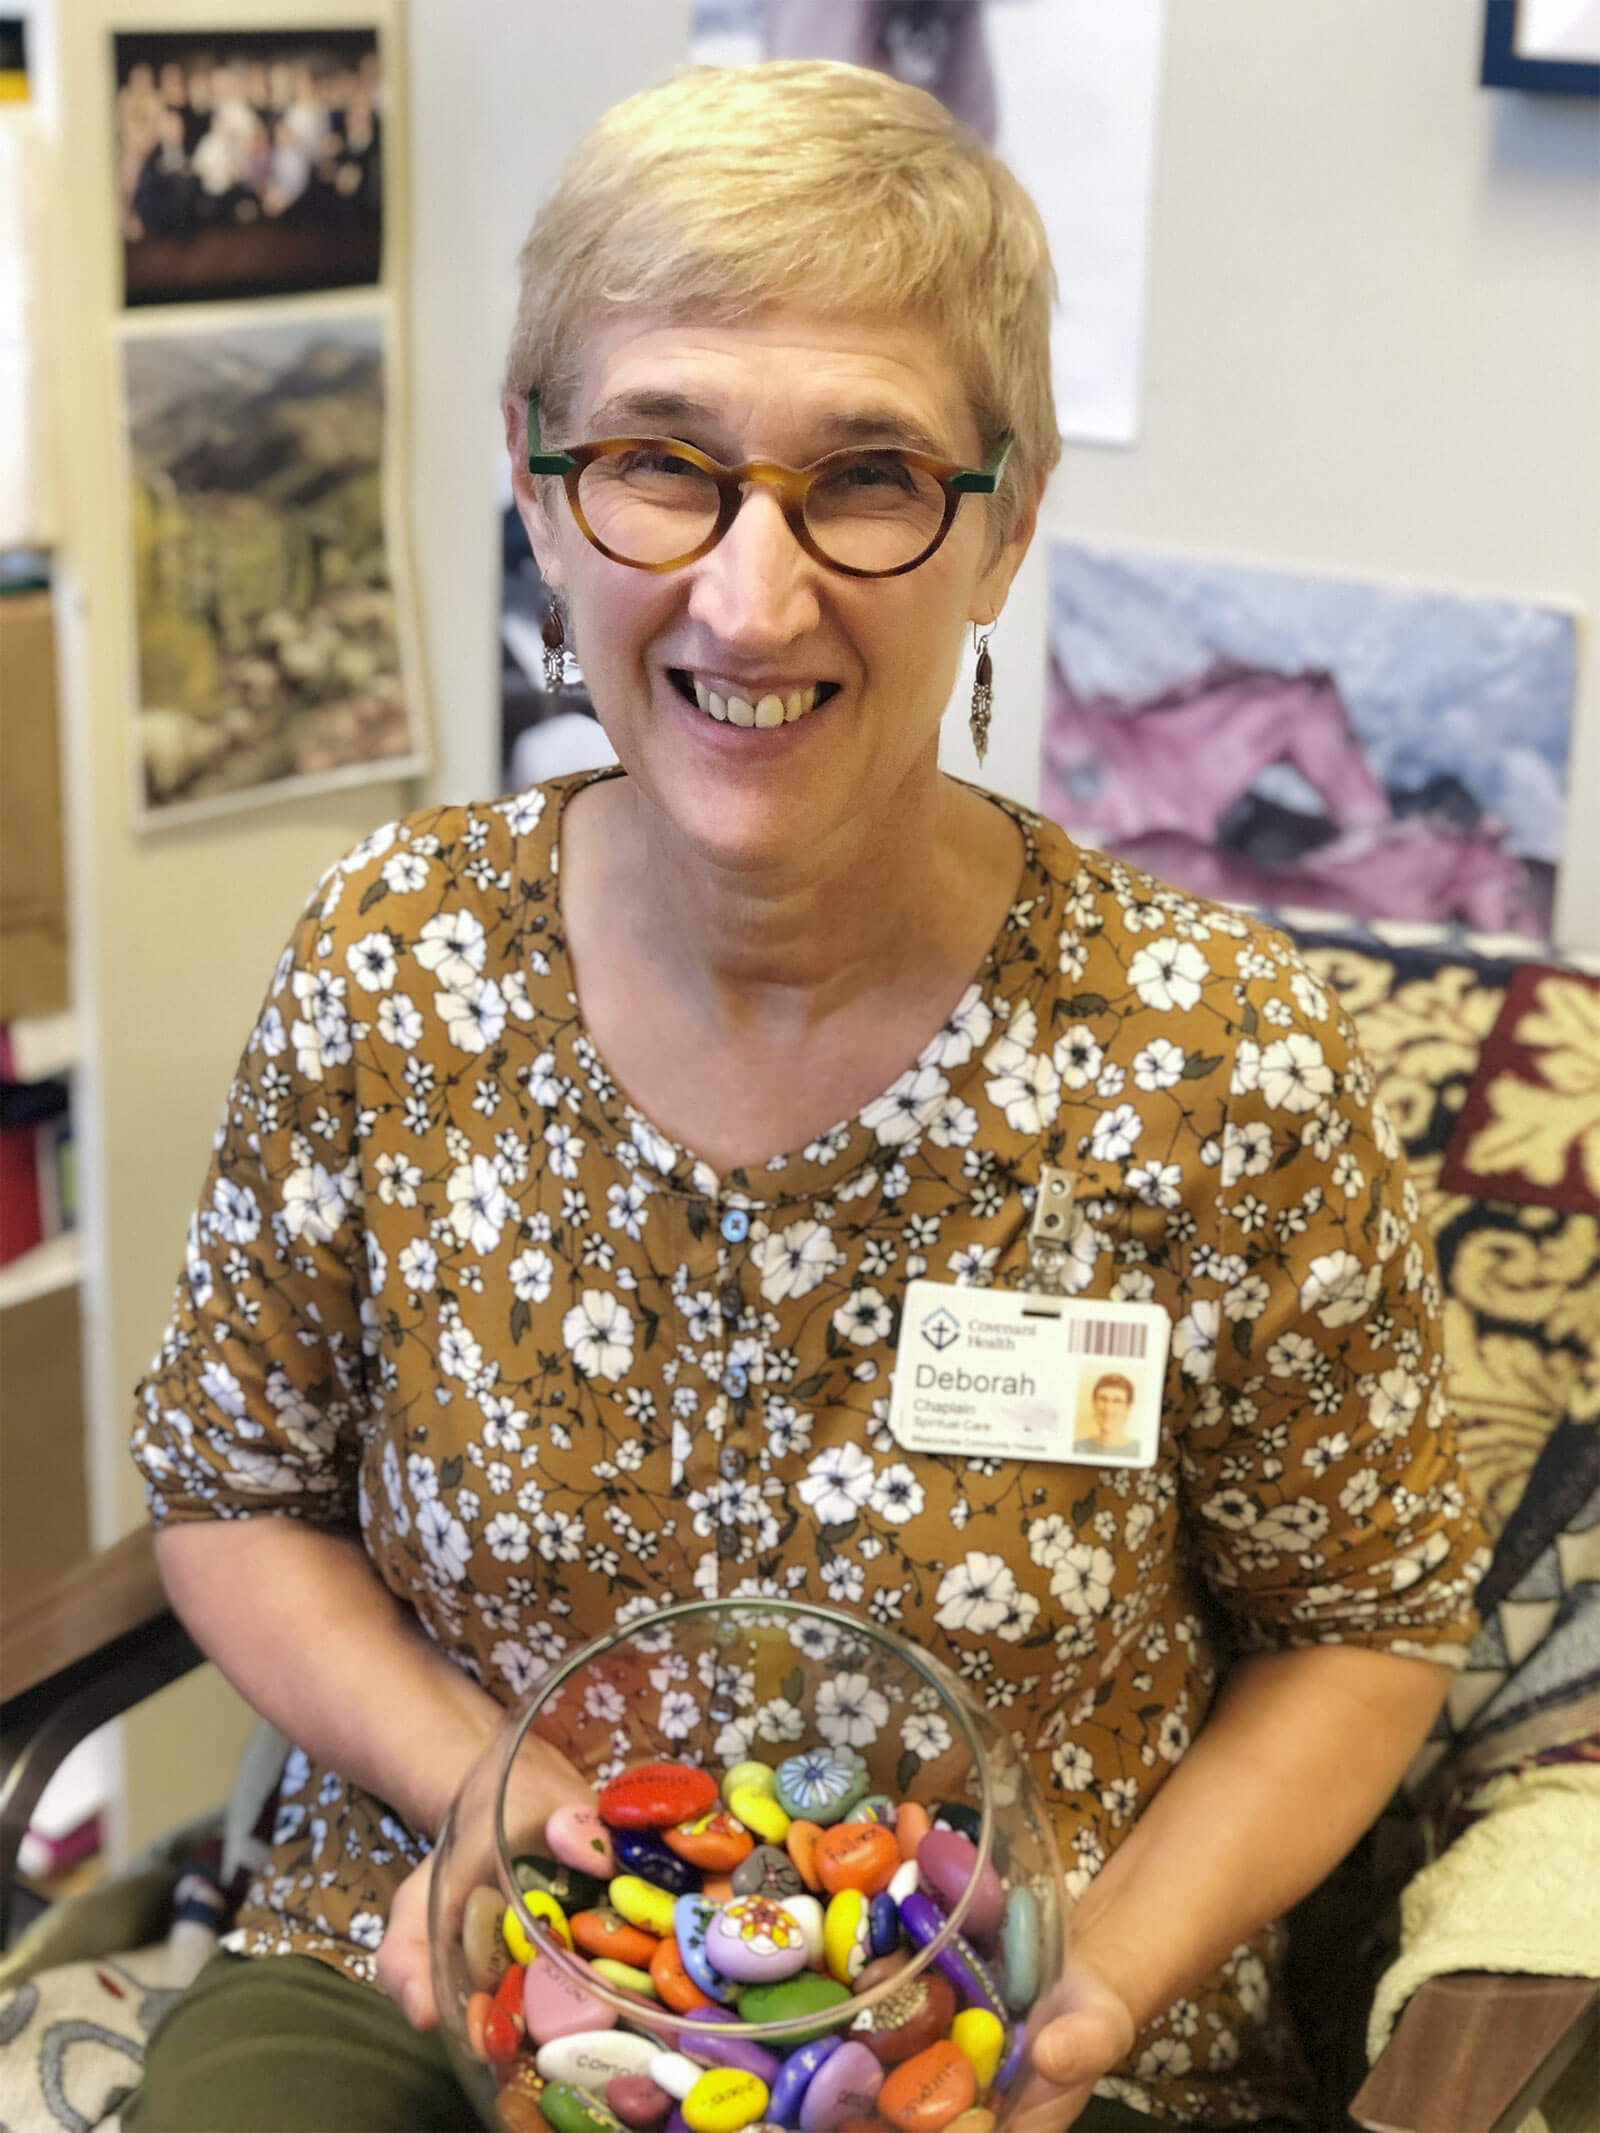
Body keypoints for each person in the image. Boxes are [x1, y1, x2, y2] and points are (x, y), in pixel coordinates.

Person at [124, 60, 1488, 2133]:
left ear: (1001, 521)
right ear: (534, 477)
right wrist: (465, 1774)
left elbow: (1368, 1623)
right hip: (443, 1954)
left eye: (864, 477)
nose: (749, 601)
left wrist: (1089, 1985)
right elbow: (232, 1491)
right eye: (659, 462)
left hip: (995, 2023)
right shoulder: (386, 961)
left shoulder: (1207, 1053)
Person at [1074, 1373, 1141, 1461]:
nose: (1108, 1409)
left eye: (1117, 1401)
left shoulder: (1139, 1451)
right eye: (1103, 1399)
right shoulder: (1077, 1447)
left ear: (1128, 1408)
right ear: (1094, 1404)